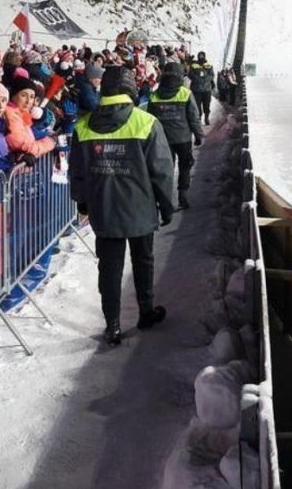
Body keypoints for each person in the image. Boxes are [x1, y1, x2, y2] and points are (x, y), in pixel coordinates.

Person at [69, 66, 175, 346]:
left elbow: (77, 171)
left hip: (103, 211)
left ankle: (112, 325)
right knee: (144, 261)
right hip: (139, 208)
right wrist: (167, 205)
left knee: (109, 268)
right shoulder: (146, 123)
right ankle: (146, 310)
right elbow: (162, 171)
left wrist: (82, 202)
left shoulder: (82, 126)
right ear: (130, 88)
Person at [145, 62, 202, 209]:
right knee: (185, 166)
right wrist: (198, 135)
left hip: (163, 140)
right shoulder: (185, 93)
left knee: (165, 170)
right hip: (183, 138)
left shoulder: (155, 95)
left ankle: (165, 200)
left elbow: (149, 120)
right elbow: (193, 117)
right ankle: (182, 194)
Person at [187, 51, 215, 125]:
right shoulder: (193, 65)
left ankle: (206, 118)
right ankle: (198, 118)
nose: (201, 57)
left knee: (207, 105)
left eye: (202, 56)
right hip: (196, 89)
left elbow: (211, 75)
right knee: (197, 105)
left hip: (206, 89)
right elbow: (190, 74)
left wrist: (204, 80)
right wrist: (198, 79)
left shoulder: (208, 65)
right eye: (200, 56)